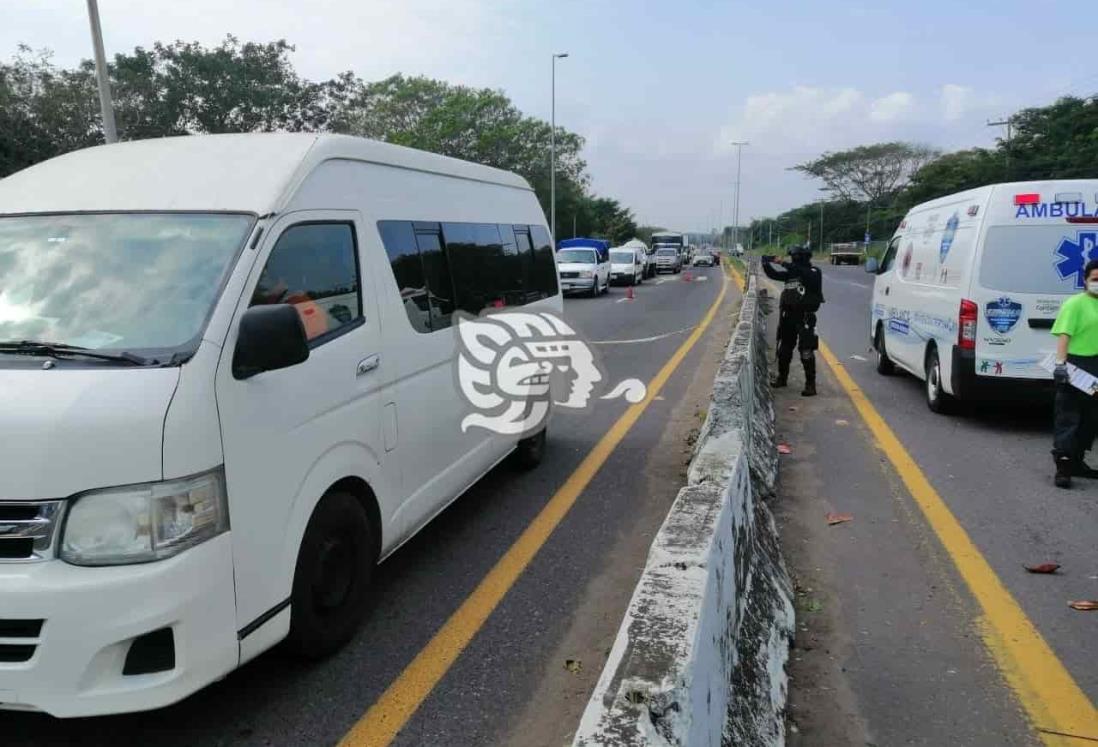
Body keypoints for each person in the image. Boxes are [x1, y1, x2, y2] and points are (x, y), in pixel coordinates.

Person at [1050, 258, 1098, 488]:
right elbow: (1064, 336)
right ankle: (1064, 467)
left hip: (1096, 367)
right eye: (1095, 279)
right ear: (1085, 280)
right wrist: (1061, 365)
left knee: (1090, 419)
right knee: (1069, 417)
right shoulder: (1075, 304)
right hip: (1075, 366)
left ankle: (1078, 461)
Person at [760, 245, 824, 396]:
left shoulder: (813, 272)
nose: (792, 260)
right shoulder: (791, 274)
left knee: (806, 351)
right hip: (788, 317)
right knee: (784, 350)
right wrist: (765, 263)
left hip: (804, 317)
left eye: (794, 257)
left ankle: (810, 385)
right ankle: (782, 378)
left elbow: (803, 273)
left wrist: (783, 262)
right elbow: (774, 275)